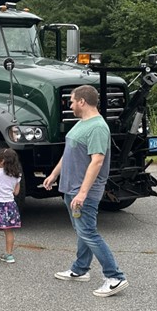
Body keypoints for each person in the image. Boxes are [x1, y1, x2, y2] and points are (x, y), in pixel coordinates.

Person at [43, 84, 128, 297]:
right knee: (82, 231)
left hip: (84, 192)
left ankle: (115, 277)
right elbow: (69, 152)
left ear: (82, 101)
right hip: (71, 187)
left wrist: (82, 193)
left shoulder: (98, 127)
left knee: (88, 232)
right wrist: (54, 174)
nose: (70, 105)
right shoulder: (82, 123)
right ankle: (80, 269)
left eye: (72, 101)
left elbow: (97, 161)